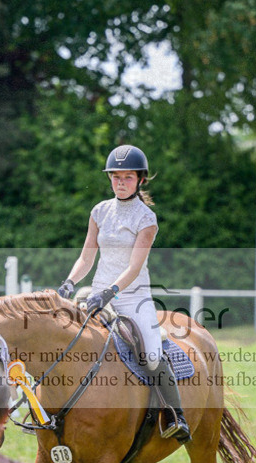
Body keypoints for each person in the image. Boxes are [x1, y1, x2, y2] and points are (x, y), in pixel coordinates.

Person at [56, 143, 190, 442]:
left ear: (140, 180)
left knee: (152, 354)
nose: (120, 182)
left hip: (132, 295)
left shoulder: (146, 219)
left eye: (127, 177)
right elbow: (86, 257)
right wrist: (69, 282)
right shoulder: (99, 211)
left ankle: (174, 414)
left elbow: (133, 266)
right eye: (115, 176)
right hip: (96, 293)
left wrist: (110, 292)